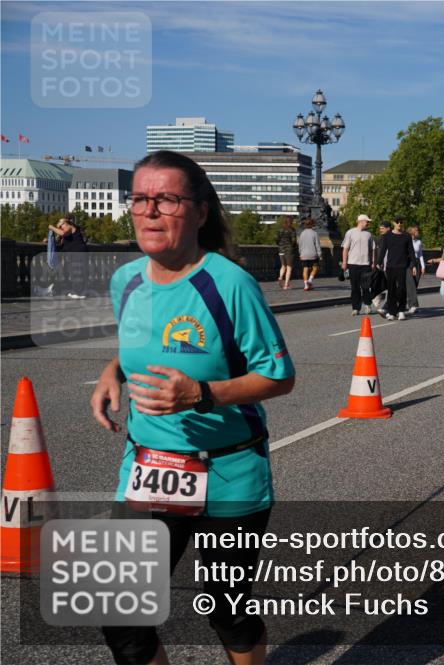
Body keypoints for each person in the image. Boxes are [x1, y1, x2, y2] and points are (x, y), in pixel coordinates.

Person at [90, 150, 295, 665]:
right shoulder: (126, 281)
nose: (150, 211)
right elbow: (144, 342)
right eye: (140, 198)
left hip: (228, 472)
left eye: (167, 199)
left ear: (200, 212)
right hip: (148, 467)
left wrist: (201, 394)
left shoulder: (228, 284)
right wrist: (111, 372)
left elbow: (279, 376)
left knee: (226, 610)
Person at [376, 217, 416, 320]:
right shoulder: (387, 236)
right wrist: (379, 262)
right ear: (394, 223)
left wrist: (414, 265)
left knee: (402, 289)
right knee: (391, 290)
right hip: (390, 266)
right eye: (397, 222)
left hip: (402, 266)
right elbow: (383, 250)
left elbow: (411, 252)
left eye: (401, 222)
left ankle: (401, 310)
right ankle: (392, 312)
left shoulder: (406, 236)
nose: (399, 224)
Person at [47, 215, 89, 298]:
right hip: (74, 253)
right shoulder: (65, 229)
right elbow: (58, 239)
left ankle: (78, 293)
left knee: (77, 272)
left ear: (65, 222)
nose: (59, 224)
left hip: (77, 252)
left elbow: (63, 233)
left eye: (60, 223)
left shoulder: (69, 227)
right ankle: (81, 292)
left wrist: (52, 227)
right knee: (76, 272)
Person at [342, 214, 375, 315]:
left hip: (365, 264)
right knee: (355, 287)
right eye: (367, 221)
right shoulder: (350, 233)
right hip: (353, 264)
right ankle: (356, 308)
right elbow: (345, 248)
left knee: (366, 286)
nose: (368, 223)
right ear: (361, 221)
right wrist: (344, 262)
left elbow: (372, 249)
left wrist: (373, 262)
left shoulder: (368, 234)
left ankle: (367, 304)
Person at [406, 226, 425, 314]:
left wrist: (423, 266)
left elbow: (420, 254)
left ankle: (411, 304)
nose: (418, 231)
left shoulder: (418, 242)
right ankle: (413, 305)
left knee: (415, 284)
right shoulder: (406, 241)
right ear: (411, 232)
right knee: (411, 284)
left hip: (417, 264)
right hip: (409, 263)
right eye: (416, 230)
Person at [298, 218, 321, 291]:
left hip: (304, 254)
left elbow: (300, 245)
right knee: (315, 268)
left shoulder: (302, 233)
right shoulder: (314, 233)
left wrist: (300, 253)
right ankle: (310, 281)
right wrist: (320, 254)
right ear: (312, 224)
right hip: (313, 254)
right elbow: (317, 245)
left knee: (305, 269)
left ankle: (305, 285)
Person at [275, 216, 296, 290]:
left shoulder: (280, 230)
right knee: (289, 267)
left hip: (281, 250)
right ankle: (286, 284)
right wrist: (293, 246)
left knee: (283, 265)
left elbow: (276, 239)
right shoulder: (292, 230)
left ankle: (280, 277)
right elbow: (293, 241)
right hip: (289, 250)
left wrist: (280, 245)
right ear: (290, 222)